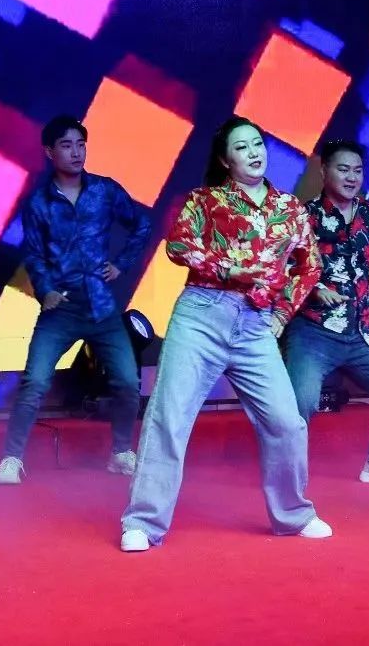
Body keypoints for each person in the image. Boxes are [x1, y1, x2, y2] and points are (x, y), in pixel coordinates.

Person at [120, 117, 330, 551]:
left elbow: (310, 265)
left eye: (257, 144)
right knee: (170, 416)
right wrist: (234, 269)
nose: (254, 153)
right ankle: (143, 522)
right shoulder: (206, 200)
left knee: (286, 422)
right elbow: (178, 245)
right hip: (202, 315)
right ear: (225, 159)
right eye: (242, 147)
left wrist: (281, 314)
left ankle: (293, 515)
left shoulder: (290, 208)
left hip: (256, 326)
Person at [0, 116, 152, 484]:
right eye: (67, 145)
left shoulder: (105, 191)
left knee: (127, 382)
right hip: (61, 309)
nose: (76, 152)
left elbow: (141, 224)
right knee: (34, 382)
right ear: (49, 152)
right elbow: (33, 254)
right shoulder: (39, 202)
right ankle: (11, 460)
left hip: (102, 308)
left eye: (81, 144)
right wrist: (45, 289)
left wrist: (122, 263)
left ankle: (121, 453)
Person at [283, 139, 369, 486]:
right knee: (301, 401)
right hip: (313, 331)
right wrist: (313, 288)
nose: (351, 177)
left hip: (360, 332)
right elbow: (279, 266)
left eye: (357, 171)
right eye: (343, 169)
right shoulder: (303, 217)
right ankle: (286, 471)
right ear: (324, 171)